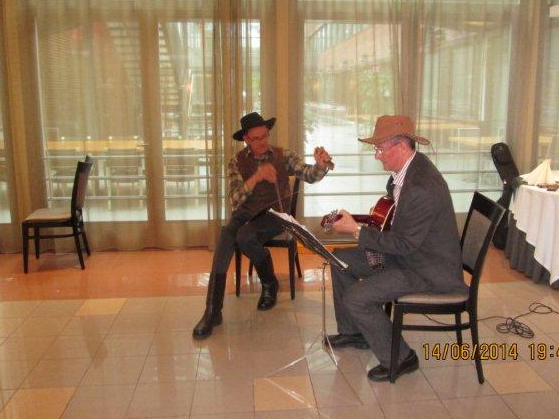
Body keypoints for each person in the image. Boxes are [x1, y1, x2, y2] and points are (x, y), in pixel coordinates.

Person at [327, 115, 467, 382]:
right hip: (407, 256)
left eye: (380, 149)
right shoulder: (404, 174)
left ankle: (402, 358)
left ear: (401, 147)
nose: (376, 155)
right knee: (339, 260)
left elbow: (404, 244)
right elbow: (396, 224)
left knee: (357, 297)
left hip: (426, 269)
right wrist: (361, 223)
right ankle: (355, 332)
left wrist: (357, 231)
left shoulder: (423, 187)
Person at [193, 112, 332, 339]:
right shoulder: (236, 161)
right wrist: (256, 176)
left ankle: (269, 283)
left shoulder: (283, 155)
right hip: (246, 213)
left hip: (274, 214)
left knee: (245, 237)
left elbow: (308, 175)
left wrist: (320, 165)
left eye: (265, 136)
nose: (262, 142)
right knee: (227, 235)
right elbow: (235, 199)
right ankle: (212, 311)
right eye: (256, 138)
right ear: (246, 139)